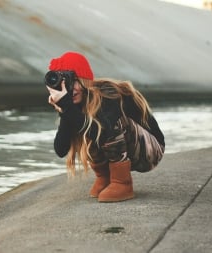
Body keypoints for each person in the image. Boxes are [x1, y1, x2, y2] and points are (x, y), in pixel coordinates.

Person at [45, 51, 165, 202]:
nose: (72, 88)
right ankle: (106, 177)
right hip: (126, 148)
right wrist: (64, 110)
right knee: (85, 125)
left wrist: (68, 108)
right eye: (67, 83)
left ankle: (122, 182)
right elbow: (60, 149)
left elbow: (105, 133)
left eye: (75, 81)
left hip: (150, 150)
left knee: (106, 125)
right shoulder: (72, 104)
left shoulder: (108, 93)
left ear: (85, 80)